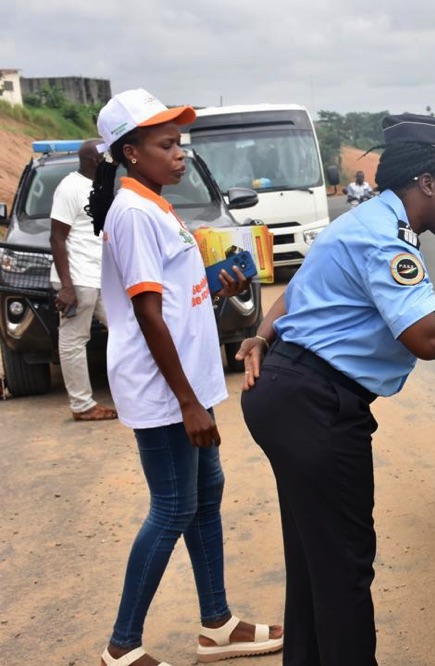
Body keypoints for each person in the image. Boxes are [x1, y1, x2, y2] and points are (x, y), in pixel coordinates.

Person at [236, 112, 435, 664]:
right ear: (426, 182)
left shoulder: (367, 221)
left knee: (316, 562)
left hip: (290, 393)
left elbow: (297, 292)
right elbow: (430, 337)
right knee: (344, 568)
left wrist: (262, 334)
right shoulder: (387, 240)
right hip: (315, 406)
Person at [87, 88, 283, 666]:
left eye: (179, 142)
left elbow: (174, 297)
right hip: (166, 391)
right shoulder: (133, 213)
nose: (179, 153)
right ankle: (121, 646)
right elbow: (147, 313)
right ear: (130, 153)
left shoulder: (157, 205)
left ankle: (217, 625)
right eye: (166, 144)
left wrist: (215, 283)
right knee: (172, 507)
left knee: (206, 495)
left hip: (189, 388)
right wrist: (187, 403)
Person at [48, 138, 118, 421]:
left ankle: (135, 393)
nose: (114, 161)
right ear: (95, 160)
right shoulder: (70, 187)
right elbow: (56, 237)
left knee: (126, 330)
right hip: (77, 280)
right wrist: (66, 286)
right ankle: (82, 406)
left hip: (102, 278)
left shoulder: (100, 187)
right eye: (109, 157)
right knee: (74, 340)